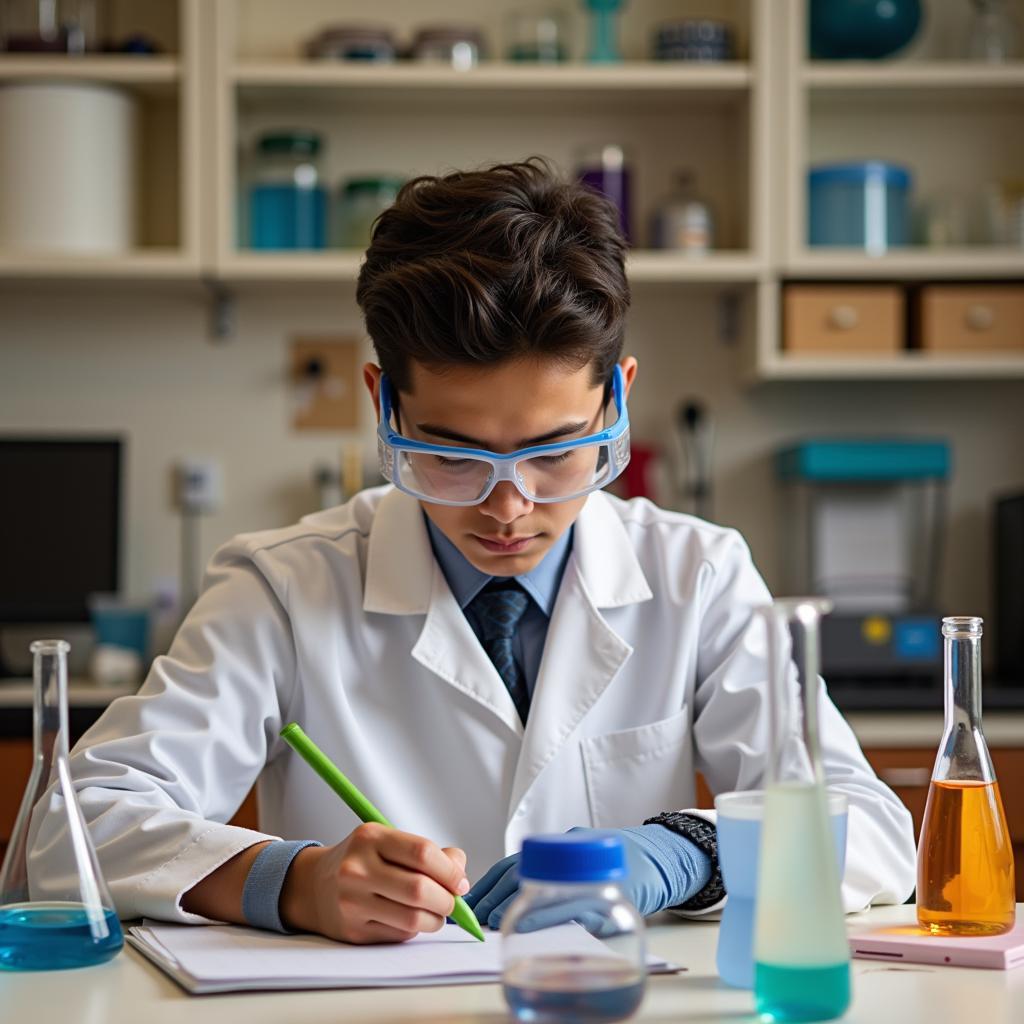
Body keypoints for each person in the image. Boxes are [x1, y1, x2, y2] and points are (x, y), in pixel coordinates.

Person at [31, 159, 916, 943]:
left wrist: (678, 855)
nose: (508, 506)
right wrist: (292, 883)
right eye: (451, 456)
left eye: (556, 453)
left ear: (617, 399)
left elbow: (872, 831)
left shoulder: (700, 575)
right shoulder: (284, 584)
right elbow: (74, 832)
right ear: (384, 404)